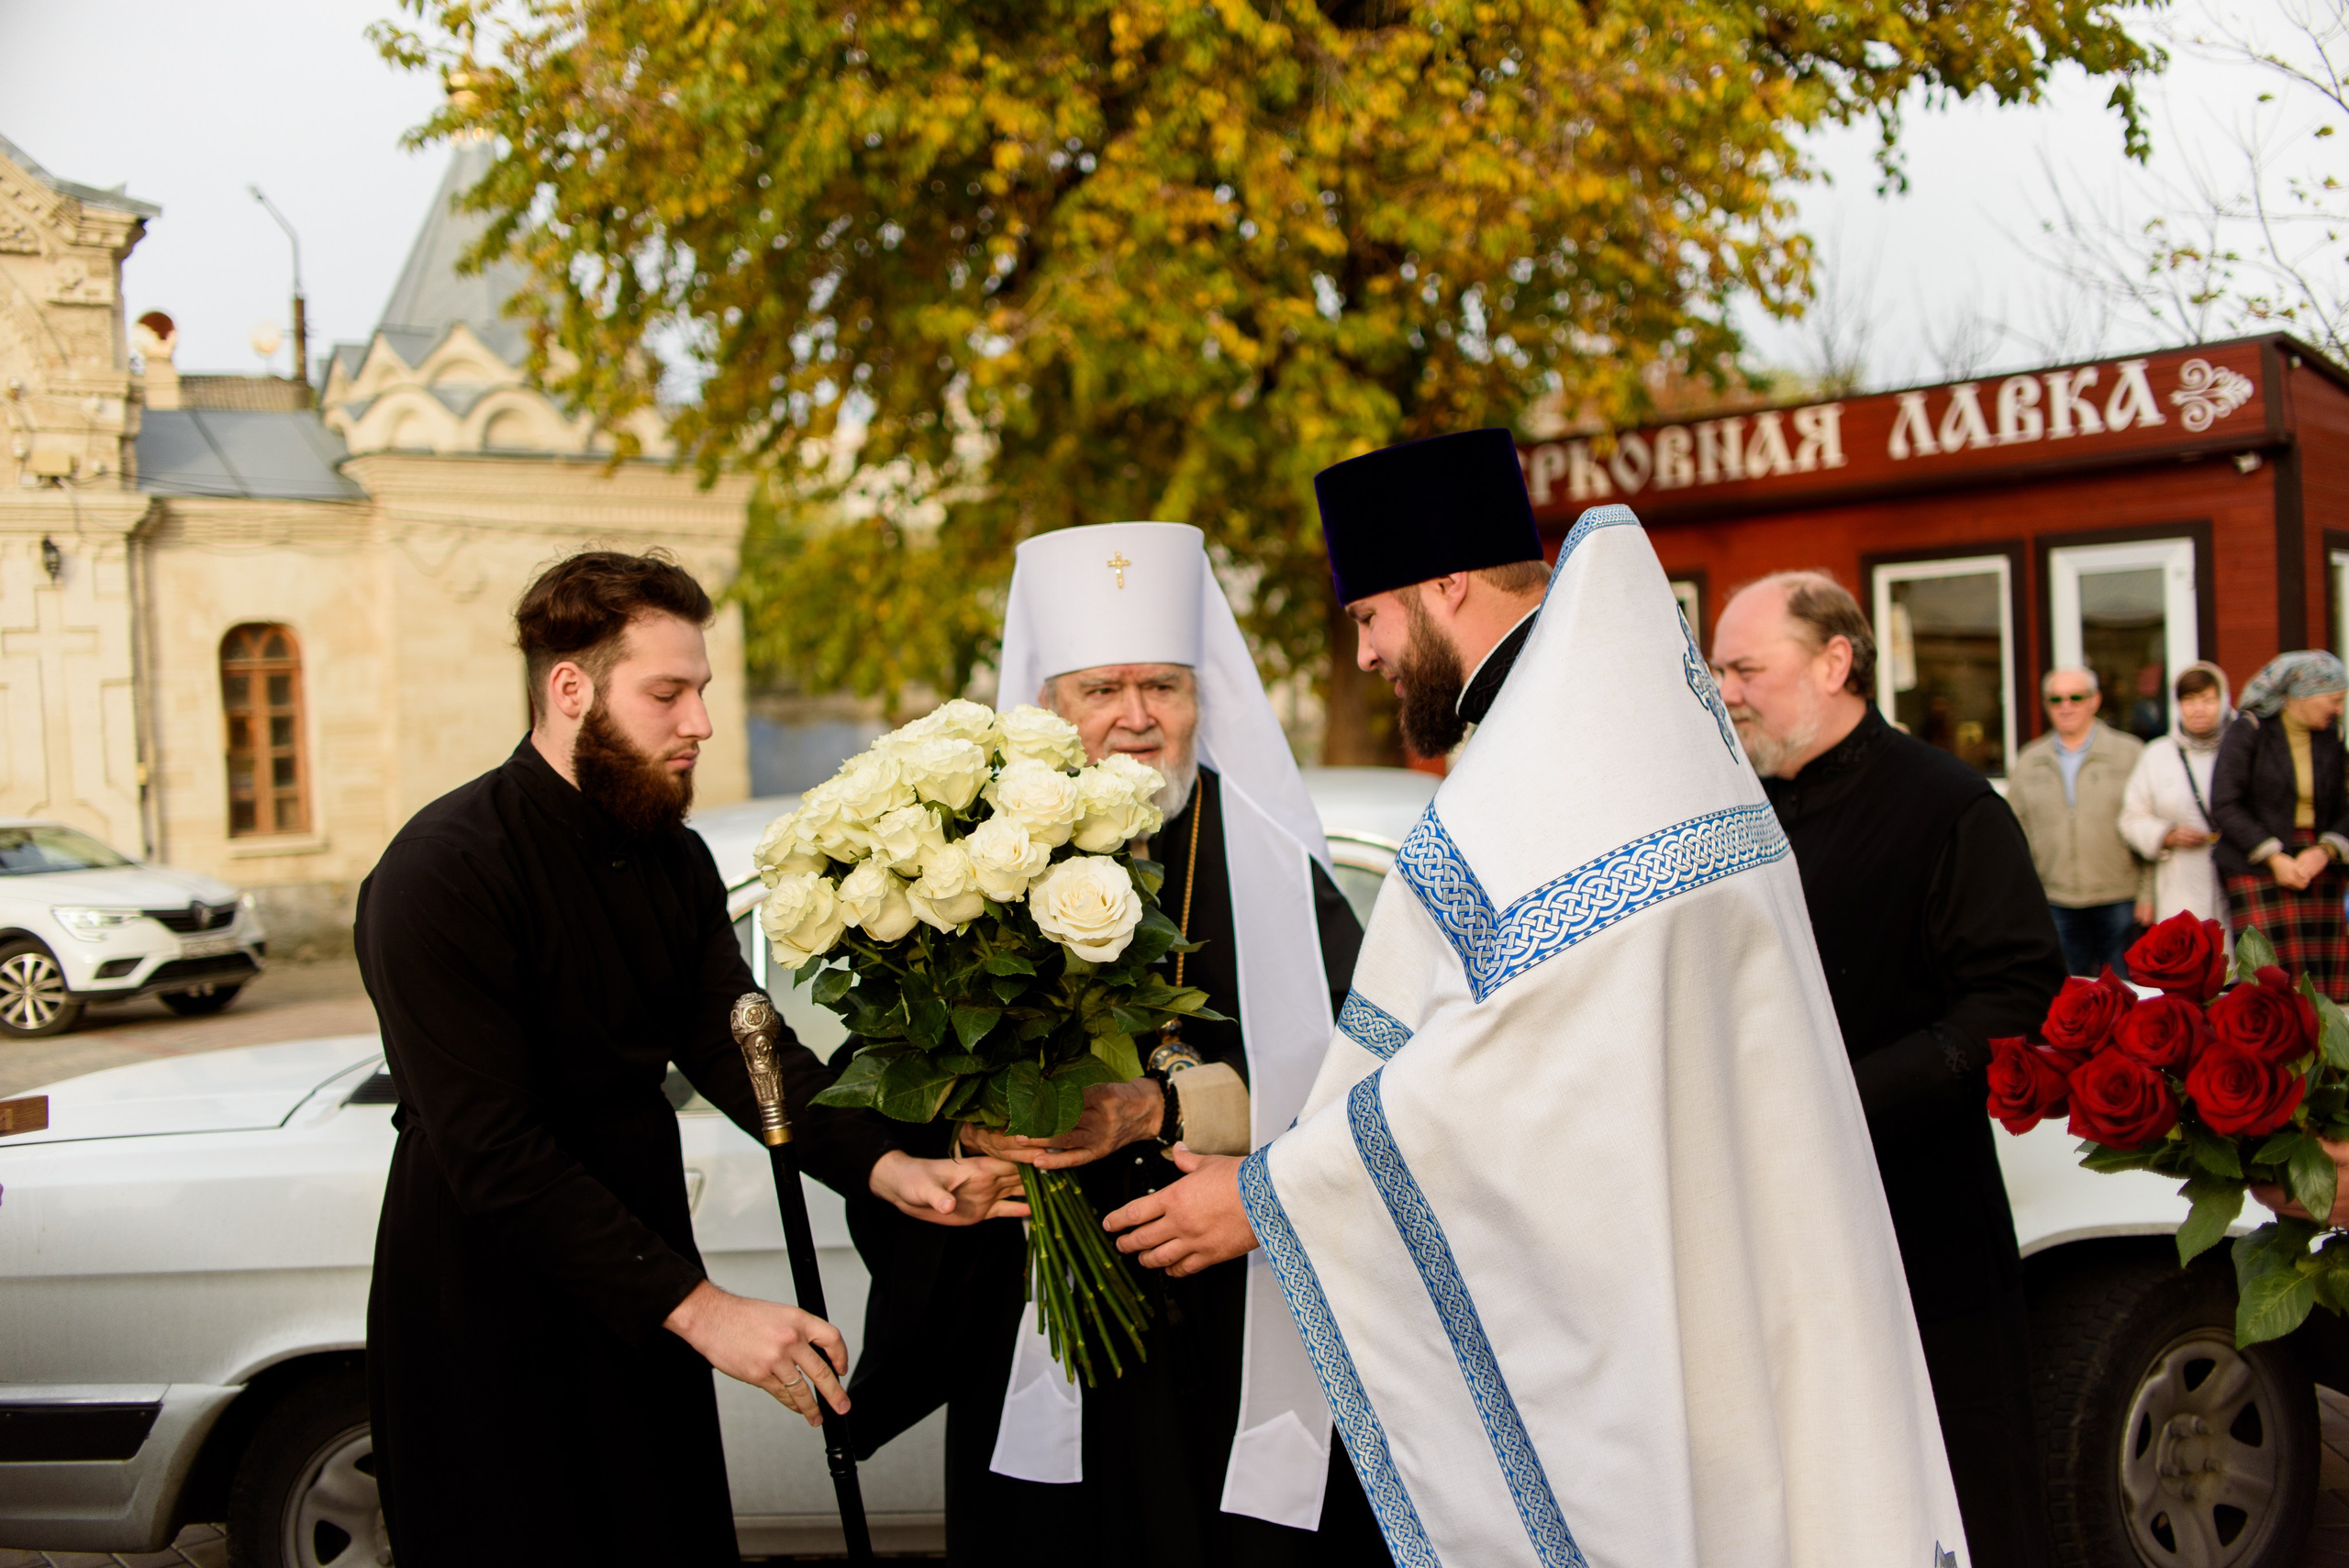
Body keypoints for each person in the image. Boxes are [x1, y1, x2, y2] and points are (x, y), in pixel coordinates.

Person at [1107, 431, 1968, 1566]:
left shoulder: (1548, 776)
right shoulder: (1619, 730)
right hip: (1717, 1252)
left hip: (1649, 1302)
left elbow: (1511, 1068)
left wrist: (1272, 1196)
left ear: (1444, 585)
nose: (1364, 653)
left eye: (1369, 616)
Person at [355, 550, 1021, 1564]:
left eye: (700, 690)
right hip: (490, 1286)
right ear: (569, 689)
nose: (700, 721)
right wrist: (704, 1311)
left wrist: (888, 1168)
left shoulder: (671, 853)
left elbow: (739, 1041)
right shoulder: (440, 869)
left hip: (641, 1258)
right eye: (666, 693)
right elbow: (492, 1150)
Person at [845, 523, 1380, 1566]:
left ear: (1200, 699)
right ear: (1049, 702)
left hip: (1224, 1305)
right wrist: (963, 1132)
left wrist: (1164, 1107)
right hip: (1036, 1304)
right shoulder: (969, 852)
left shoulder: (1272, 860)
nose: (1137, 717)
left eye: (1164, 686)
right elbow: (878, 1078)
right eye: (1103, 689)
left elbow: (1360, 1075)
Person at [1709, 570, 2065, 1568]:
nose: (1726, 692)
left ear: (1835, 661)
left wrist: (1845, 1099)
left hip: (1923, 1218)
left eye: (1746, 669)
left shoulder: (1948, 805)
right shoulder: (1734, 807)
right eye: (1717, 671)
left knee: (1961, 1483)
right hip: (1774, 1226)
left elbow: (2017, 998)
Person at [2212, 650, 2349, 997]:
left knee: (2324, 989)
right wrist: (2274, 858)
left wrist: (2326, 850)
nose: (2339, 709)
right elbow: (2225, 803)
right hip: (2258, 867)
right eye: (2335, 700)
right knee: (2272, 986)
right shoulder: (2250, 730)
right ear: (2304, 694)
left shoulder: (2331, 736)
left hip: (2318, 868)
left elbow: (2346, 806)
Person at [2009, 667, 2147, 976]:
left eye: (2075, 698)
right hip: (2055, 899)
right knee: (2068, 993)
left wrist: (2148, 894)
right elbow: (2016, 833)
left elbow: (2146, 823)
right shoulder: (2030, 760)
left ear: (2094, 700)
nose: (2065, 706)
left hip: (2119, 896)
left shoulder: (2130, 753)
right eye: (2056, 699)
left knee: (2123, 990)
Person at [2119, 662, 2233, 929]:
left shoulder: (2243, 749)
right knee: (2188, 951)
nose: (2198, 709)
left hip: (2235, 885)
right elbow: (2130, 819)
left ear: (2224, 701)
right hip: (2179, 886)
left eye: (2208, 699)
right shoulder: (2157, 755)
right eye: (2189, 700)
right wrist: (2166, 835)